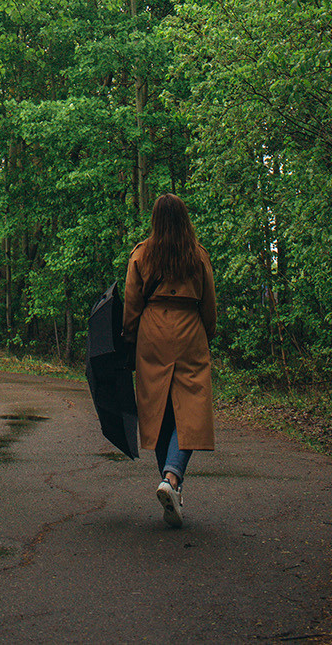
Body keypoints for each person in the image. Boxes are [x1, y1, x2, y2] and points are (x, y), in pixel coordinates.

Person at [123, 193, 216, 528]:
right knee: (190, 409)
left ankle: (170, 483)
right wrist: (207, 333)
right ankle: (173, 479)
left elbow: (132, 302)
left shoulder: (142, 253)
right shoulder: (197, 255)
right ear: (184, 219)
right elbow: (209, 304)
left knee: (158, 410)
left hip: (153, 332)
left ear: (155, 220)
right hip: (189, 330)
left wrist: (131, 339)